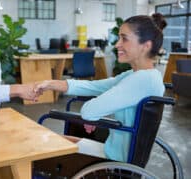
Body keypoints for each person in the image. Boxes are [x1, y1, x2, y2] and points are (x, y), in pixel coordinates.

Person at [35, 13, 166, 165]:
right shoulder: (142, 76)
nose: (117, 44)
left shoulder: (141, 80)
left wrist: (95, 115)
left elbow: (90, 111)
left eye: (124, 38)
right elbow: (94, 87)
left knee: (43, 145)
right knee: (56, 140)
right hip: (114, 151)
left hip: (114, 160)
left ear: (146, 46)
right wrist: (50, 84)